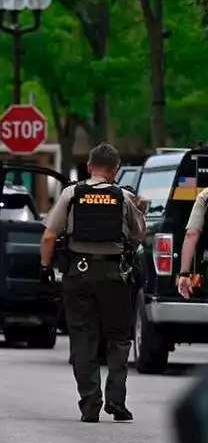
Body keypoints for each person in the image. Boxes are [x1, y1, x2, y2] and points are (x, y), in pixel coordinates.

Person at [40, 143, 146, 423]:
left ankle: (90, 402)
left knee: (83, 339)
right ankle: (116, 401)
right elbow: (140, 234)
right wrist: (141, 209)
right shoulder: (123, 196)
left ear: (89, 166)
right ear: (116, 170)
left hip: (79, 273)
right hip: (114, 276)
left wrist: (45, 267)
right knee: (119, 338)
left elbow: (50, 235)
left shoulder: (71, 193)